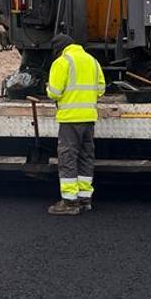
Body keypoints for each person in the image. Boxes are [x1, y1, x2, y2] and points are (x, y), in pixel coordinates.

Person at [45, 33, 106, 215]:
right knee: (86, 156)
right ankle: (85, 198)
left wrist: (48, 88)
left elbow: (54, 92)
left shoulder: (62, 62)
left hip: (70, 118)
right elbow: (101, 88)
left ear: (59, 49)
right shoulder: (92, 61)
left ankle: (70, 203)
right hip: (88, 117)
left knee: (68, 157)